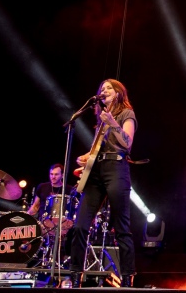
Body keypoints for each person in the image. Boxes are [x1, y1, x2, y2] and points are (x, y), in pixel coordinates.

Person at [70, 79, 137, 288]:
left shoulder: (127, 114)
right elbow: (98, 149)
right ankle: (75, 275)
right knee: (80, 225)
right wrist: (85, 157)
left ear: (118, 93)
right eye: (102, 89)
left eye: (109, 88)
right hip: (96, 171)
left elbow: (127, 144)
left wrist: (113, 123)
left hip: (116, 169)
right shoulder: (100, 120)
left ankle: (127, 277)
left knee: (121, 227)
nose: (104, 91)